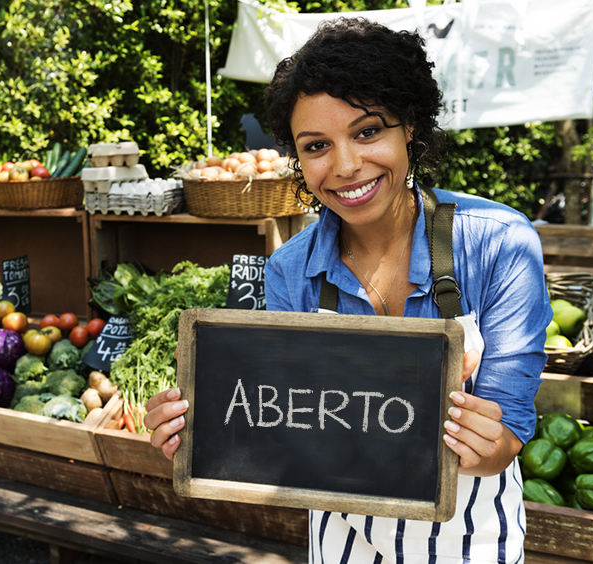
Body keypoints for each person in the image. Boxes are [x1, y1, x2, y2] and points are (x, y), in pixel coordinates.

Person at [145, 17, 551, 564]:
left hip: (466, 535)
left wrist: (489, 444)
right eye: (317, 145)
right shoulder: (291, 269)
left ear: (409, 125)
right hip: (339, 533)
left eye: (367, 132)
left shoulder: (498, 244)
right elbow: (291, 424)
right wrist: (206, 428)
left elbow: (507, 435)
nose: (345, 166)